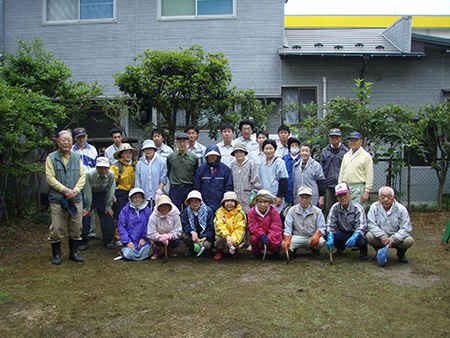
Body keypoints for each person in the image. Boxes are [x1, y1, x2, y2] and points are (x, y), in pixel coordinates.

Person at [45, 130, 85, 265]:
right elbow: (50, 178)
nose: (66, 142)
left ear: (72, 142)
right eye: (63, 140)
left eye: (69, 140)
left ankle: (74, 253)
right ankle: (56, 254)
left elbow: (82, 176)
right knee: (57, 228)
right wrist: (65, 190)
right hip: (57, 199)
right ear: (58, 142)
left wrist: (75, 190)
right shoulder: (51, 158)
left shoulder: (76, 157)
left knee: (76, 227)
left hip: (75, 199)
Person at [367, 186, 414, 264]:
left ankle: (401, 253)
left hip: (396, 238)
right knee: (369, 235)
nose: (386, 199)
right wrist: (382, 236)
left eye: (389, 196)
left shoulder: (401, 209)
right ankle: (378, 251)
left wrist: (394, 238)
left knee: (409, 240)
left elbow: (407, 228)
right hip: (380, 238)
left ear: (393, 197)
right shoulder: (374, 207)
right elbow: (371, 225)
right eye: (383, 196)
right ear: (379, 197)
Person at [325, 183, 368, 260]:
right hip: (342, 232)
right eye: (340, 196)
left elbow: (361, 227)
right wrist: (330, 236)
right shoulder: (335, 208)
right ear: (337, 197)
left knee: (363, 239)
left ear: (350, 195)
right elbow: (330, 224)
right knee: (327, 233)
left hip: (355, 233)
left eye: (345, 194)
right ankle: (340, 247)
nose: (343, 198)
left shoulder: (358, 208)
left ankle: (363, 251)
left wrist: (354, 237)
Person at [80, 157, 116, 250]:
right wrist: (87, 208)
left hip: (102, 194)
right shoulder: (89, 175)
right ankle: (82, 241)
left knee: (108, 215)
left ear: (108, 168)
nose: (103, 171)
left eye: (105, 168)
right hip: (90, 193)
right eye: (100, 168)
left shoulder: (111, 174)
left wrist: (108, 206)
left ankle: (108, 240)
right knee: (85, 216)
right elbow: (87, 192)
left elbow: (111, 191)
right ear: (96, 168)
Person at [282, 186, 326, 260]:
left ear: (311, 198)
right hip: (297, 236)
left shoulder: (317, 211)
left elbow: (322, 227)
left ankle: (315, 249)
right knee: (284, 243)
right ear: (298, 198)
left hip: (311, 236)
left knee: (321, 241)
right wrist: (287, 238)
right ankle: (292, 250)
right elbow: (288, 227)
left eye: (307, 197)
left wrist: (317, 234)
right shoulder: (292, 210)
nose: (304, 200)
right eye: (302, 197)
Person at [72, 127, 100, 240]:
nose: (81, 139)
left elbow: (96, 166)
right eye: (79, 137)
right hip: (77, 183)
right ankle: (80, 232)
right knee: (80, 208)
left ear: (86, 137)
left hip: (90, 182)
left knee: (90, 207)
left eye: (83, 137)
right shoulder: (72, 151)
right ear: (75, 138)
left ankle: (91, 230)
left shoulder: (92, 149)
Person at [111, 143, 139, 245]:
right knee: (119, 215)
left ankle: (131, 235)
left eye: (129, 153)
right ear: (121, 154)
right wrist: (112, 194)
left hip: (133, 192)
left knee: (132, 215)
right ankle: (118, 237)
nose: (128, 155)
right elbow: (111, 182)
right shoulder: (116, 166)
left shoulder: (135, 165)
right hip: (120, 192)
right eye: (125, 153)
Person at [194, 144, 233, 212]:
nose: (212, 157)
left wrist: (226, 202)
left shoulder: (225, 169)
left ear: (218, 156)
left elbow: (228, 187)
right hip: (204, 204)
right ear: (206, 156)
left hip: (221, 204)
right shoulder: (201, 169)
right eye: (210, 155)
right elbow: (197, 186)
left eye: (214, 155)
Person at [338, 132, 374, 205]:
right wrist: (340, 186)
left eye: (355, 140)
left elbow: (369, 174)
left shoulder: (366, 156)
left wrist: (367, 191)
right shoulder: (346, 155)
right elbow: (342, 172)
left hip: (358, 187)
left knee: (357, 210)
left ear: (361, 141)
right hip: (346, 187)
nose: (353, 143)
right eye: (351, 141)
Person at [117, 188, 153, 261]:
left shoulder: (147, 210)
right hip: (130, 240)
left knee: (148, 250)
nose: (137, 199)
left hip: (142, 241)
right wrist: (127, 242)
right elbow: (121, 227)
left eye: (140, 197)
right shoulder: (125, 210)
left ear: (143, 199)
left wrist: (144, 238)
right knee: (128, 253)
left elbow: (150, 225)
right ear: (131, 198)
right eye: (135, 197)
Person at [167, 132, 199, 211]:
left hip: (188, 187)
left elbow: (195, 172)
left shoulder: (193, 157)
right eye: (180, 142)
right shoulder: (171, 157)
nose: (182, 144)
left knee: (189, 211)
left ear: (188, 143)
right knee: (174, 211)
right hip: (175, 188)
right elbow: (169, 171)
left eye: (184, 142)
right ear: (176, 143)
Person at [320, 128, 349, 216]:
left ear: (340, 138)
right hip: (329, 184)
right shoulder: (325, 151)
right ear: (329, 138)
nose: (334, 139)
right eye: (332, 137)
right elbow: (322, 166)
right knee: (330, 208)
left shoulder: (345, 151)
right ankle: (330, 226)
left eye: (336, 137)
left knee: (344, 206)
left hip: (342, 184)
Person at [247, 190, 283, 259]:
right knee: (253, 239)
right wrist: (261, 234)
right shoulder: (252, 212)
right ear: (256, 202)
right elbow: (253, 227)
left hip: (271, 235)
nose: (263, 205)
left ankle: (275, 252)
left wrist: (269, 238)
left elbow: (276, 227)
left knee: (276, 239)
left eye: (265, 202)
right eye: (260, 202)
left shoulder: (274, 212)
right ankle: (256, 252)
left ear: (269, 202)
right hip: (259, 235)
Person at [135, 139, 167, 210]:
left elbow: (163, 178)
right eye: (146, 149)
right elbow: (137, 181)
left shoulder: (161, 162)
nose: (148, 151)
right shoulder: (139, 163)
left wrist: (159, 191)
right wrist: (139, 195)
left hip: (157, 195)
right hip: (144, 195)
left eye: (150, 149)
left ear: (154, 149)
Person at [181, 190, 215, 257]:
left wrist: (205, 237)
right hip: (193, 235)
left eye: (196, 201)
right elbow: (185, 224)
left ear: (200, 201)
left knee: (206, 245)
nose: (194, 203)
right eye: (192, 201)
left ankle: (208, 250)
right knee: (184, 236)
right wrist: (192, 232)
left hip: (205, 236)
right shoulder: (186, 211)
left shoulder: (208, 211)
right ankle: (191, 249)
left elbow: (211, 227)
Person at [147, 195, 182, 259]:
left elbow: (178, 230)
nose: (164, 208)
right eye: (161, 206)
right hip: (158, 239)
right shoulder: (153, 217)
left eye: (166, 206)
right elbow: (150, 233)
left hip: (171, 239)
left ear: (169, 206)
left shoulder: (175, 215)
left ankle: (170, 249)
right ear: (158, 207)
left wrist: (169, 236)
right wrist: (159, 237)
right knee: (157, 242)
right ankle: (157, 250)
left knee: (176, 241)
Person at [230, 142, 261, 214]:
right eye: (236, 152)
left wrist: (254, 196)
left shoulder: (251, 164)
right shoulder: (232, 165)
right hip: (236, 199)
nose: (239, 154)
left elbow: (256, 182)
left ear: (244, 153)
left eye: (241, 152)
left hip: (248, 198)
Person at [214, 192, 247, 260]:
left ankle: (235, 250)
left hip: (235, 236)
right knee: (218, 238)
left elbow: (240, 229)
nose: (229, 203)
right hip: (225, 235)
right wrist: (227, 236)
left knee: (239, 239)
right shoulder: (219, 212)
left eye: (232, 201)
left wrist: (232, 240)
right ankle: (219, 251)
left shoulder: (240, 214)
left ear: (235, 203)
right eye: (227, 201)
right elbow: (219, 225)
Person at [292, 142, 325, 208]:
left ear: (310, 153)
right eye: (302, 151)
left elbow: (321, 182)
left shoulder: (316, 166)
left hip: (312, 198)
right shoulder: (296, 166)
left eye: (306, 151)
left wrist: (321, 197)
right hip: (298, 198)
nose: (304, 153)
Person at [259, 139, 289, 213]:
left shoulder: (279, 162)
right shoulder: (262, 163)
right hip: (264, 196)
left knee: (275, 216)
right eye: (266, 148)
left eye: (270, 148)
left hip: (275, 196)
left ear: (274, 149)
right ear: (263, 150)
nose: (268, 151)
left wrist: (280, 196)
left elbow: (283, 180)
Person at [282, 137, 301, 206]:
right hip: (287, 189)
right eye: (292, 145)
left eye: (296, 145)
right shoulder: (285, 158)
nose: (294, 147)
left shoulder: (302, 158)